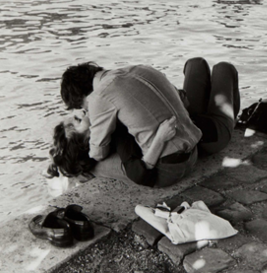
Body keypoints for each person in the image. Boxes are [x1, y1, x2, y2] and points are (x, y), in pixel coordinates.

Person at [48, 58, 240, 187]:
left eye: (84, 106)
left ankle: (229, 117)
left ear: (87, 95)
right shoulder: (136, 68)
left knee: (216, 67)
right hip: (197, 131)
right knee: (203, 64)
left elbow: (97, 152)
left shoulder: (100, 98)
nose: (87, 111)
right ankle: (228, 116)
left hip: (194, 132)